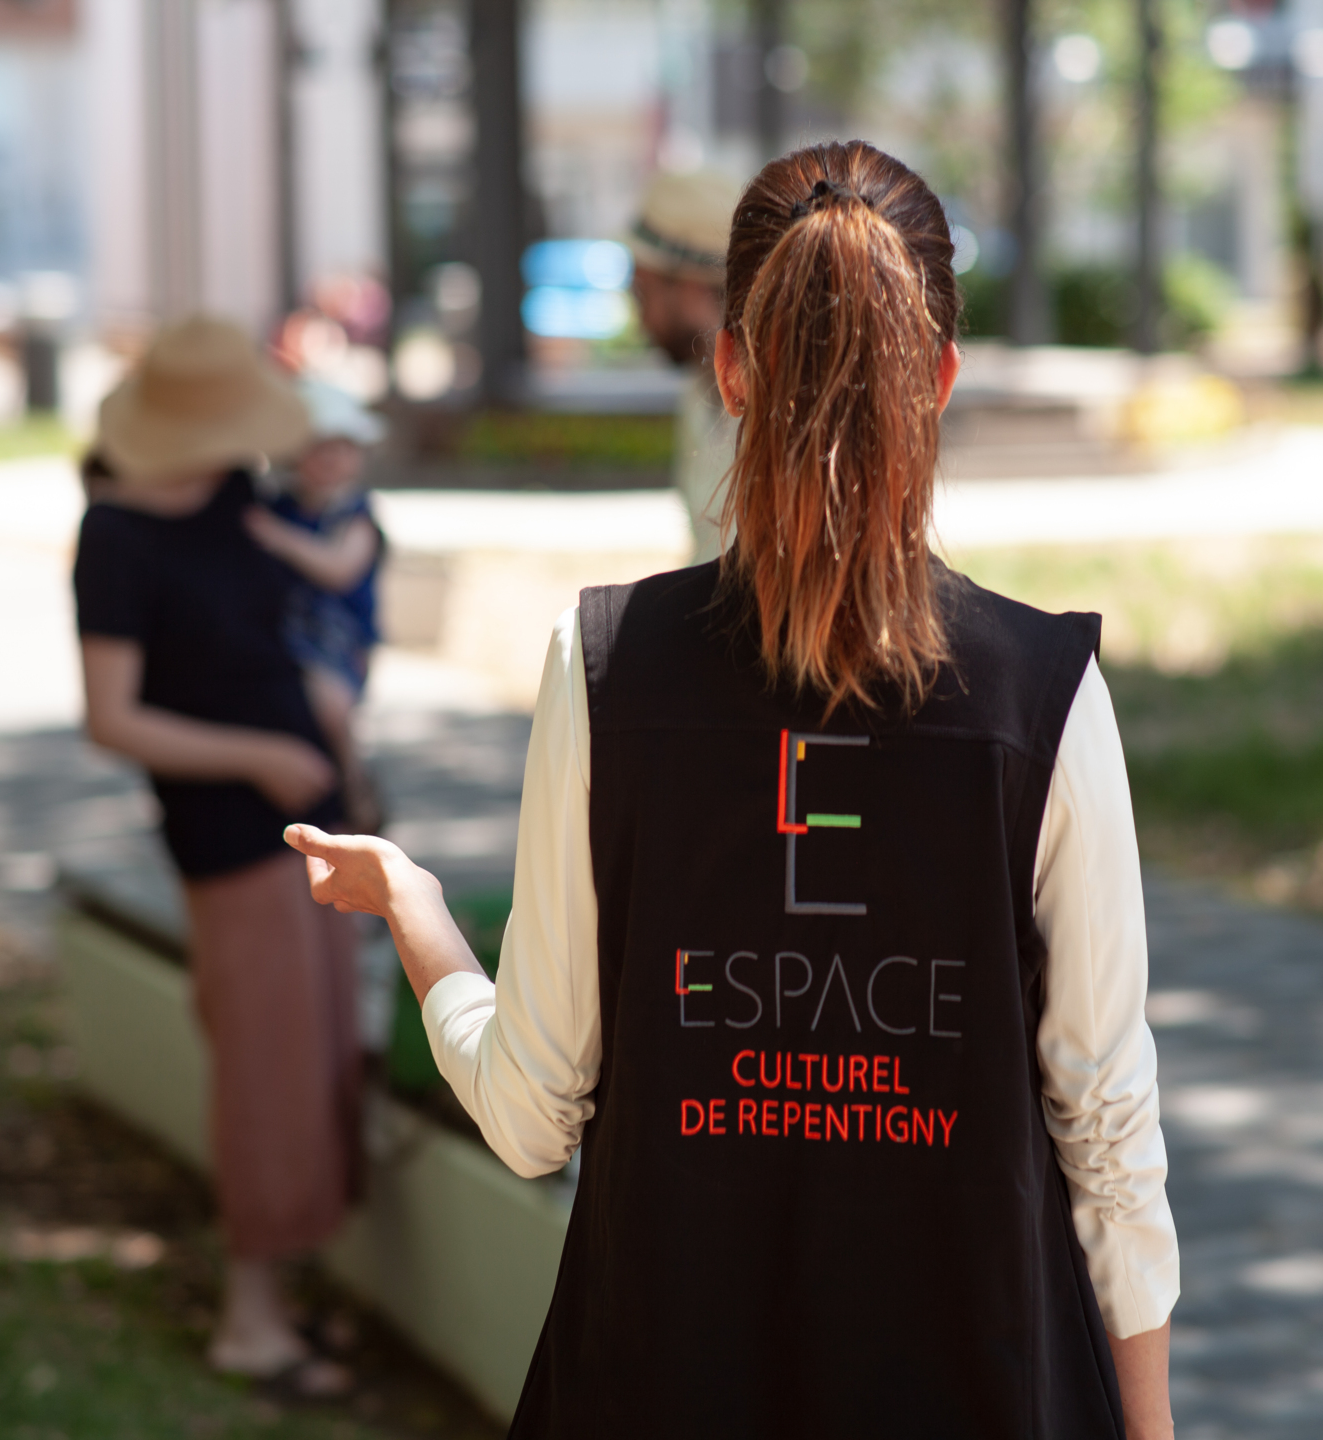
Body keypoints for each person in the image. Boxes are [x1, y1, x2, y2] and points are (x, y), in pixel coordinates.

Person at [288, 142, 1177, 1437]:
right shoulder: (1041, 698)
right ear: (938, 379)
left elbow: (536, 1118)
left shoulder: (601, 671)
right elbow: (1110, 1138)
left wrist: (420, 917)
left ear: (728, 365)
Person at [72, 316, 359, 1398]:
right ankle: (250, 1320)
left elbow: (288, 626)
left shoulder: (240, 497)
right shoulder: (117, 537)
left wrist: (332, 743)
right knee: (265, 1069)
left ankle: (290, 1298)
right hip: (231, 838)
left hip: (311, 817)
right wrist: (259, 758)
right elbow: (113, 717)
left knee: (320, 1053)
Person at [244, 378, 387, 833]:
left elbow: (340, 569)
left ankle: (353, 783)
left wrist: (280, 540)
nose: (329, 459)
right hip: (284, 628)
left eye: (341, 448)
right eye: (317, 448)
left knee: (331, 706)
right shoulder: (280, 505)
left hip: (336, 638)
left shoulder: (354, 515)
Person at [626, 167, 741, 565]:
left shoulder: (788, 409)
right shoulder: (699, 391)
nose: (639, 318)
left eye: (641, 293)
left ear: (691, 286)